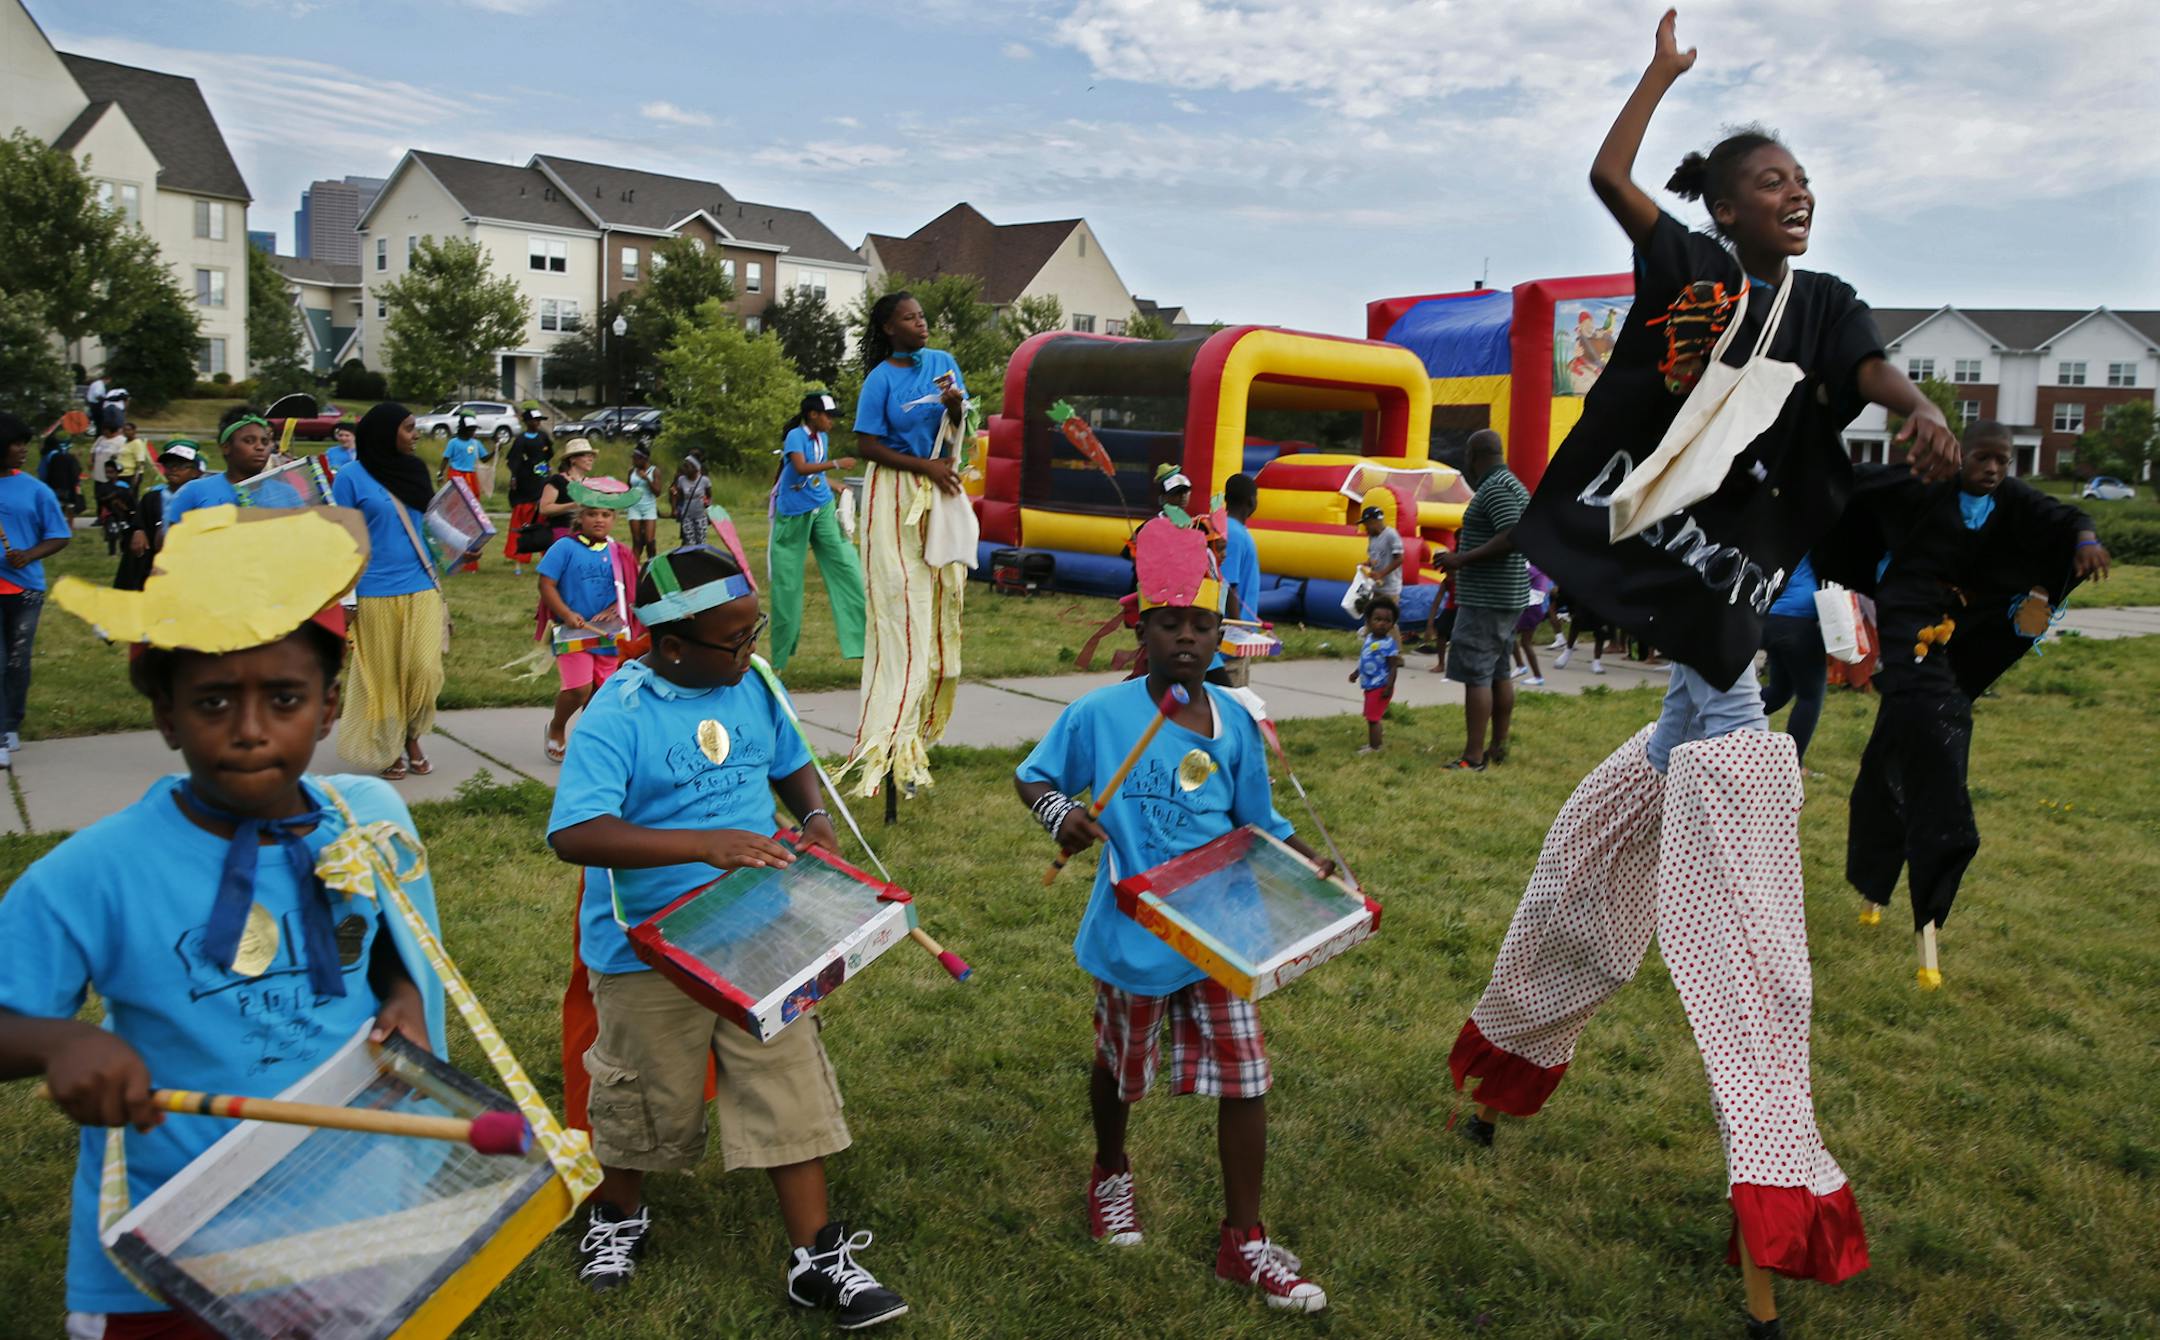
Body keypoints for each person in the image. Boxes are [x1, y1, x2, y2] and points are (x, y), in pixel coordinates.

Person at [1448, 17, 1964, 1334]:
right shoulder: (1688, 269)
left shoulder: (1825, 301)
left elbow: (1866, 364)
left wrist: (1907, 408)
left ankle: (1518, 1060)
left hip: (1724, 596)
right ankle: (1772, 1185)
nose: (1799, 194)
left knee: (1609, 845)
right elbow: (1610, 180)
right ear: (1728, 205)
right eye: (1774, 181)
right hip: (1659, 556)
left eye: (1804, 180)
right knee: (1737, 940)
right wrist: (1662, 80)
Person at [0, 512, 446, 1339]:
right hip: (168, 1241)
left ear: (326, 707)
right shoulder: (94, 872)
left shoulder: (367, 821)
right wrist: (60, 1044)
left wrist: (401, 995)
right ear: (166, 715)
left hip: (351, 1218)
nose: (249, 729)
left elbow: (388, 938)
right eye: (213, 701)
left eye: (283, 698)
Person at [547, 546, 909, 1327]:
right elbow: (575, 833)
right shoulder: (617, 714)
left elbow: (788, 761)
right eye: (736, 641)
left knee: (787, 1079)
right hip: (650, 945)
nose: (753, 654)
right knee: (642, 1094)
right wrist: (703, 844)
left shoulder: (752, 684)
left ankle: (816, 1258)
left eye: (755, 635)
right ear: (671, 646)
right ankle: (617, 1219)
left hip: (755, 926)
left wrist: (813, 818)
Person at [1014, 514, 1334, 1313]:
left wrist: (1311, 870)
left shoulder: (1237, 725)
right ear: (1142, 628)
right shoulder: (1101, 715)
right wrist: (1061, 814)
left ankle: (1245, 1239)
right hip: (1136, 933)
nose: (1186, 640)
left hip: (1221, 931)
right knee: (1121, 1070)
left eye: (1201, 625)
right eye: (1170, 625)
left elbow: (1259, 824)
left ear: (1221, 632)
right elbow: (1034, 775)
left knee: (1248, 1079)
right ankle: (1110, 1171)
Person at [1825, 421, 2110, 984]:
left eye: (2003, 462)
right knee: (1934, 733)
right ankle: (1938, 847)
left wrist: (2085, 540)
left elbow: (2067, 518)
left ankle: (1885, 876)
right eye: (1983, 458)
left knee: (1897, 744)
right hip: (1911, 616)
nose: (1994, 470)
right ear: (1961, 457)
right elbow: (1852, 484)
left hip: (1968, 627)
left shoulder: (2012, 499)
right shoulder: (1923, 484)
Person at [840, 291, 969, 799]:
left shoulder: (943, 364)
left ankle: (917, 741)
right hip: (894, 493)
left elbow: (961, 430)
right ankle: (887, 748)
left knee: (938, 619)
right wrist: (924, 468)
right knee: (902, 619)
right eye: (911, 318)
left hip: (937, 492)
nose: (922, 323)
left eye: (923, 314)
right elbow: (867, 445)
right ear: (890, 329)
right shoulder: (880, 379)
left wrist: (958, 407)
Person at [330, 403, 445, 781]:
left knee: (423, 669)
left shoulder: (414, 470)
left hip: (421, 585)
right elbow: (343, 542)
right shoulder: (349, 477)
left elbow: (430, 524)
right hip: (373, 591)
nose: (415, 436)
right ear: (385, 432)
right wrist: (345, 601)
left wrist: (464, 545)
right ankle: (391, 745)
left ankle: (413, 734)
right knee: (383, 676)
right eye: (409, 429)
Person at [1434, 431, 1530, 770]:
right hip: (1507, 593)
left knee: (1477, 673)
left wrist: (1461, 559)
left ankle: (1473, 757)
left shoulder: (1496, 488)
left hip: (1488, 597)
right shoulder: (1513, 483)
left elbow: (1512, 535)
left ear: (1473, 455)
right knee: (1499, 671)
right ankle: (1498, 747)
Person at [768, 391, 866, 674]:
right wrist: (836, 464)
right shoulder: (795, 437)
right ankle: (781, 658)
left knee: (846, 566)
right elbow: (799, 468)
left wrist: (834, 484)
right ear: (813, 415)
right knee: (788, 583)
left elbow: (815, 473)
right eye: (828, 416)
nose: (832, 422)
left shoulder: (822, 438)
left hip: (821, 507)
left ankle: (863, 644)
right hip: (794, 512)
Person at [536, 497, 637, 763]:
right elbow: (546, 584)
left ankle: (588, 739)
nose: (599, 520)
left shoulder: (619, 552)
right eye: (592, 514)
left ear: (614, 519)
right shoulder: (564, 547)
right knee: (579, 688)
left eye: (605, 514)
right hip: (573, 632)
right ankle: (557, 726)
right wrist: (567, 613)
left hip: (607, 635)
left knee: (600, 693)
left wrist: (617, 605)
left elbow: (630, 590)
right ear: (580, 517)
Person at [0, 413, 72, 767]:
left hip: (25, 590)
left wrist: (28, 554)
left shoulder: (35, 489)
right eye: (16, 444)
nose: (23, 450)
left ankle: (12, 722)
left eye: (25, 443)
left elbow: (60, 535)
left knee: (16, 660)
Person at [1758, 552, 1827, 765]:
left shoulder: (1780, 528)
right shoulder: (1813, 529)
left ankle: (1722, 723)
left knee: (1780, 691)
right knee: (1810, 696)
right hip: (1801, 619)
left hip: (1772, 617)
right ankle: (1791, 766)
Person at [166, 405, 277, 527]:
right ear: (226, 447)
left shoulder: (285, 492)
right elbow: (167, 538)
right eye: (249, 441)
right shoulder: (194, 491)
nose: (260, 447)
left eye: (265, 442)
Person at [115, 442, 203, 591]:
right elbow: (139, 523)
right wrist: (138, 530)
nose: (173, 469)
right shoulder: (152, 498)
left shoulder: (200, 499)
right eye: (169, 465)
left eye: (181, 465)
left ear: (195, 472)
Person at [503, 408, 555, 574]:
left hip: (541, 474)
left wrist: (547, 470)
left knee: (541, 517)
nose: (538, 422)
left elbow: (549, 454)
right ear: (527, 422)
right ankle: (519, 556)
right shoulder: (520, 440)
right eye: (535, 420)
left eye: (540, 420)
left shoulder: (543, 436)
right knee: (523, 515)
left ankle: (546, 556)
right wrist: (514, 477)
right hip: (525, 478)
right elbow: (513, 460)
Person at [1349, 593, 1401, 753]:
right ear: (1369, 621)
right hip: (1370, 685)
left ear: (1392, 624)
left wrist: (1389, 686)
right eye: (1377, 619)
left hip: (1380, 686)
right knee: (1371, 716)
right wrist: (1356, 672)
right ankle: (1374, 743)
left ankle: (1375, 747)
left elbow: (1393, 666)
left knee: (1373, 718)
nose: (1382, 624)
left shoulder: (1388, 644)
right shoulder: (1370, 638)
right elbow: (1365, 659)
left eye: (1387, 621)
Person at [440, 415, 489, 574]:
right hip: (457, 476)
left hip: (471, 477)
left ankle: (470, 563)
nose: (473, 432)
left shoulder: (476, 443)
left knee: (471, 516)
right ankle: (452, 555)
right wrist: (440, 473)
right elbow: (445, 459)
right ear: (464, 429)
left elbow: (484, 457)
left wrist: (496, 449)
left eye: (475, 429)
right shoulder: (453, 442)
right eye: (471, 429)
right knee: (454, 517)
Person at [1358, 503, 1403, 605]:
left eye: (1366, 525)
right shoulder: (1372, 537)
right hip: (1375, 587)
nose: (1366, 528)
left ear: (1374, 522)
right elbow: (1375, 556)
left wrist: (1381, 574)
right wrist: (1368, 564)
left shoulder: (1391, 535)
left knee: (1387, 616)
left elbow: (1399, 559)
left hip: (1390, 589)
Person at [624, 441, 661, 565]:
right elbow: (627, 489)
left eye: (635, 458)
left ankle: (652, 564)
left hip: (649, 507)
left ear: (643, 459)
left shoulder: (654, 471)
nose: (633, 461)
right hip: (634, 507)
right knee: (637, 540)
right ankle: (634, 569)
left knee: (649, 540)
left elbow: (657, 492)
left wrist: (647, 479)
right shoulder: (631, 472)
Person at [671, 452, 711, 547]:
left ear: (695, 468)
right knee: (690, 543)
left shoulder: (704, 480)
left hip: (701, 515)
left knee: (701, 542)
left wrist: (707, 503)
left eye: (687, 466)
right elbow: (680, 497)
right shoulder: (681, 480)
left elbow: (709, 496)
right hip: (687, 516)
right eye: (684, 466)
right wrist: (675, 497)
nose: (684, 469)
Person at [40, 432, 83, 518]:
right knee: (68, 504)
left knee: (57, 505)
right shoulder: (64, 455)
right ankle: (69, 526)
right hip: (66, 484)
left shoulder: (48, 456)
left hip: (53, 483)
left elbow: (44, 471)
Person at [94, 460, 133, 556]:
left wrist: (131, 511)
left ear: (117, 473)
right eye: (107, 472)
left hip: (124, 513)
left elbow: (131, 500)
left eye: (111, 472)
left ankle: (124, 551)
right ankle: (112, 552)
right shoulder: (103, 487)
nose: (109, 475)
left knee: (125, 532)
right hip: (110, 514)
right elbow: (100, 501)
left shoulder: (124, 486)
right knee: (113, 531)